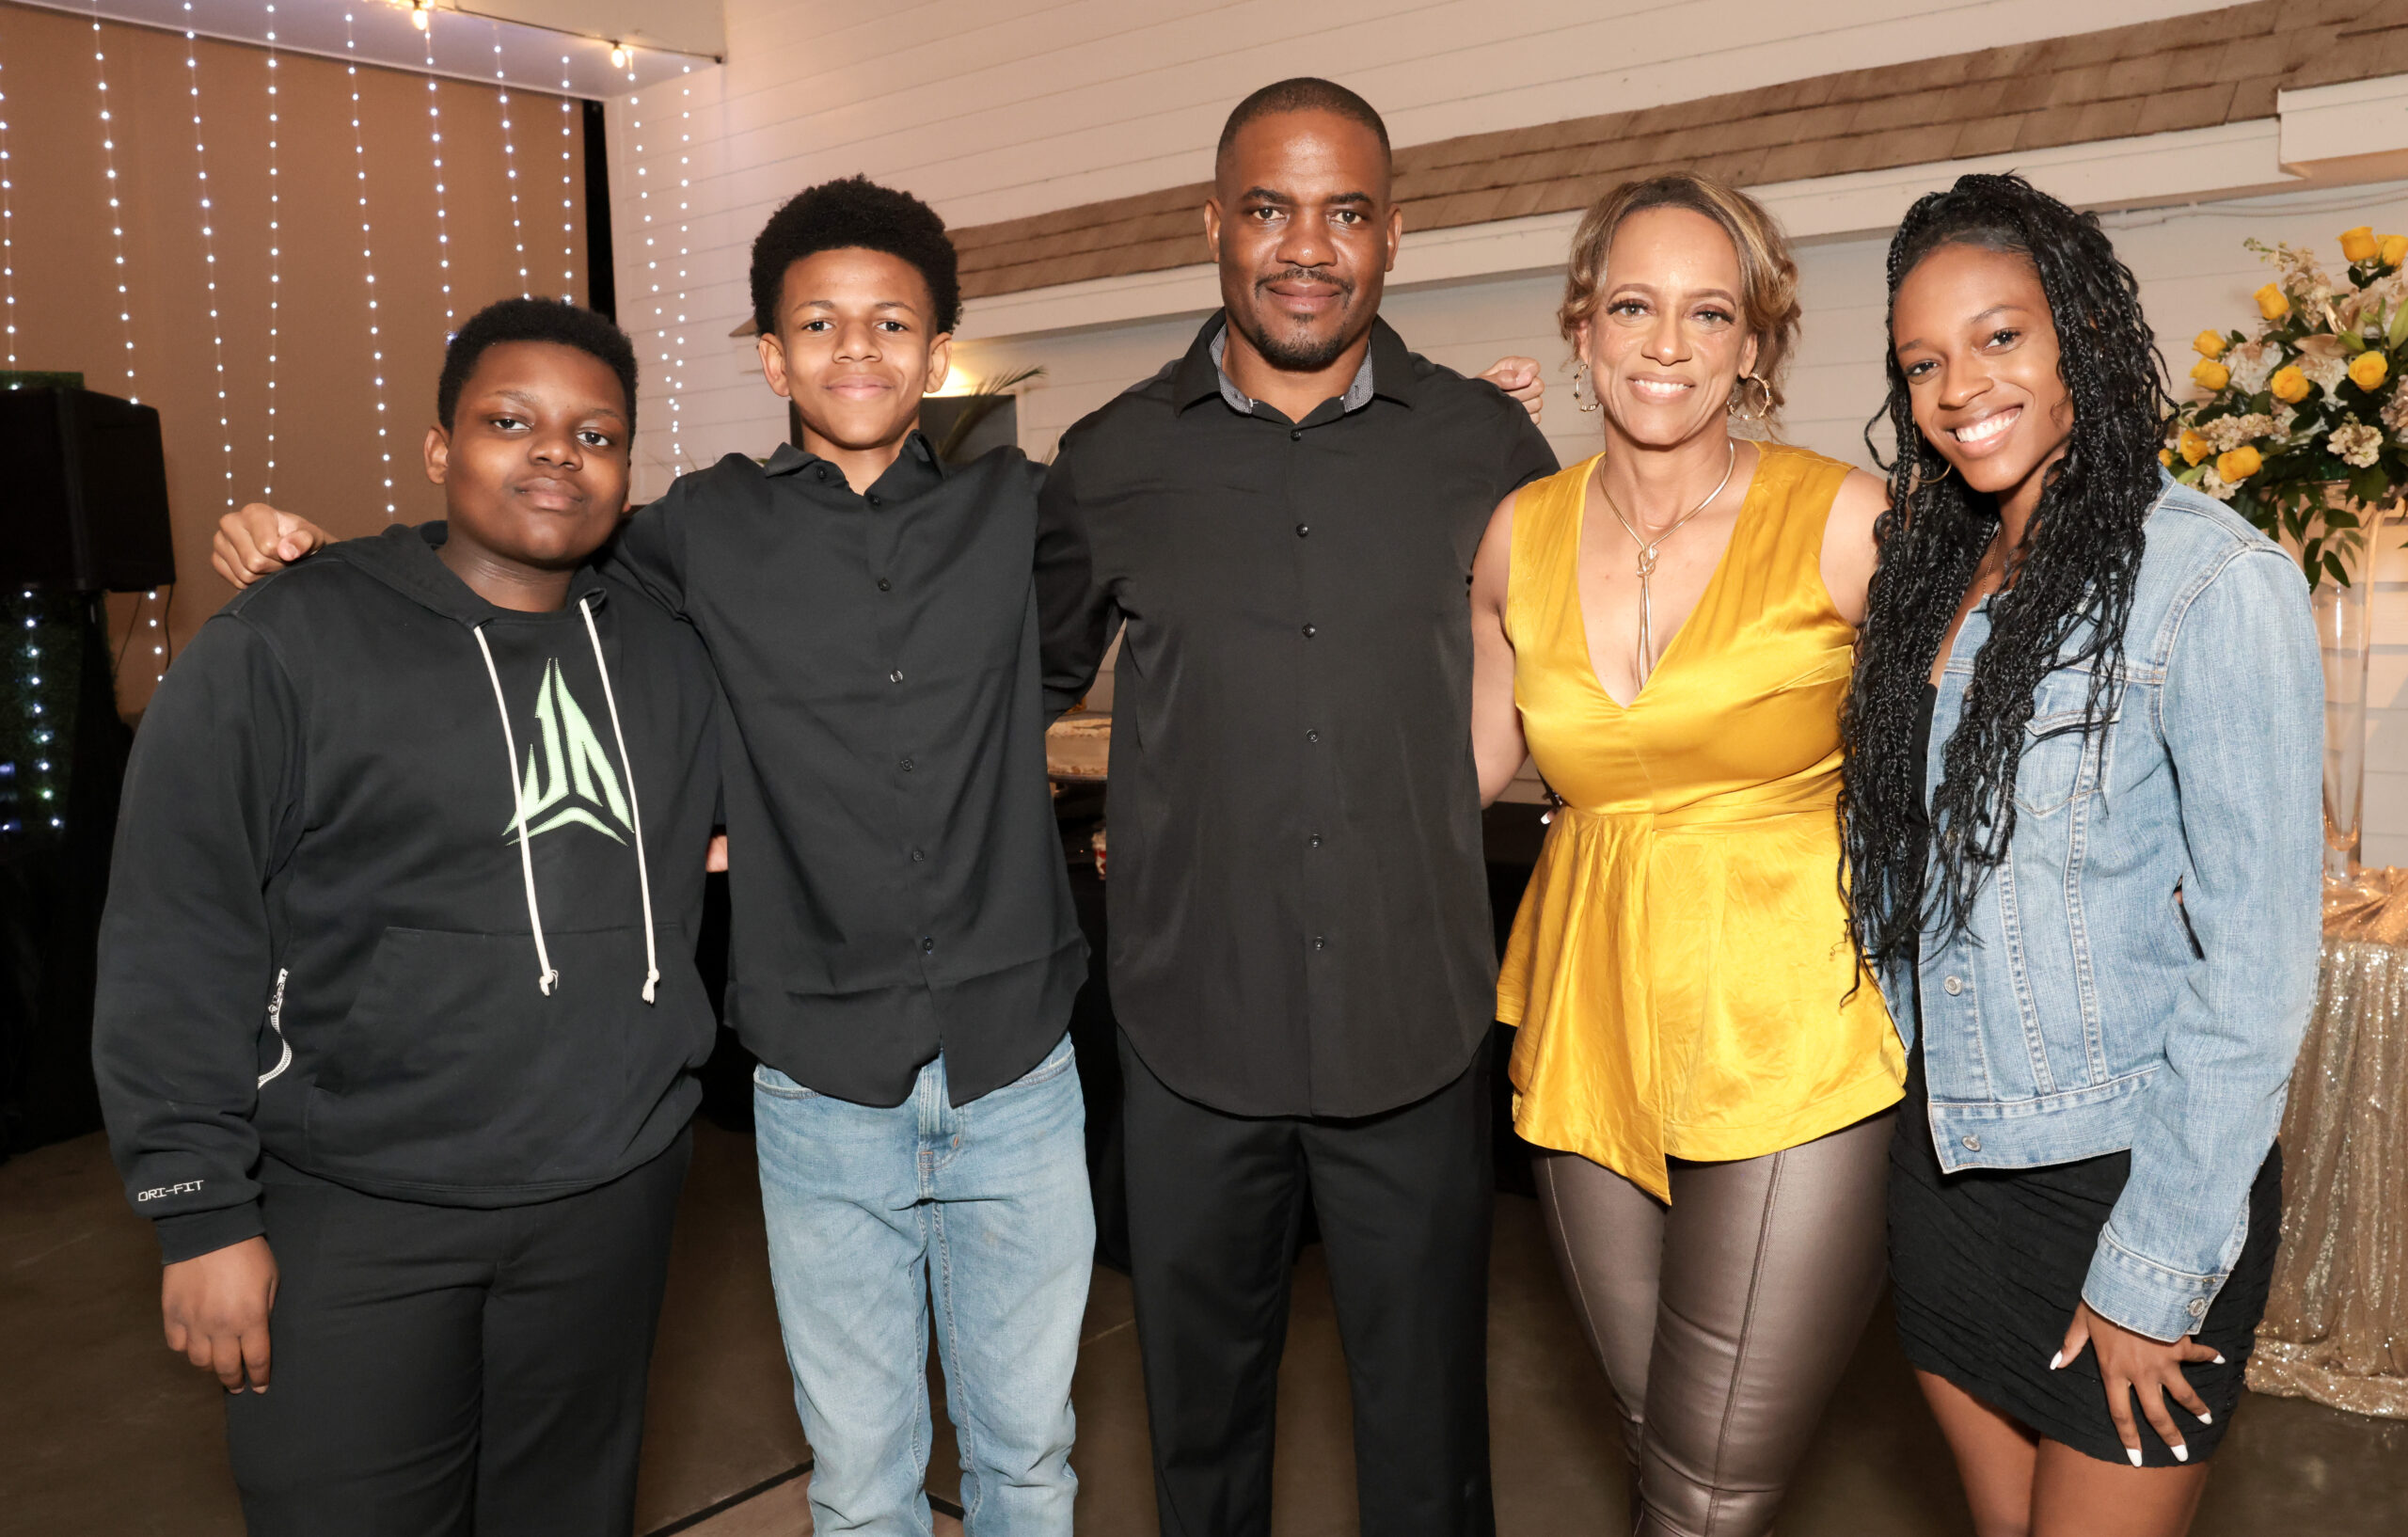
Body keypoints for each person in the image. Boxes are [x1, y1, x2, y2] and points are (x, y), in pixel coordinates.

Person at [214, 171, 1551, 1536]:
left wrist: (1457, 436)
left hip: (1018, 1069)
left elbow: (1233, 529)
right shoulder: (691, 535)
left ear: (937, 348)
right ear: (769, 350)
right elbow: (511, 549)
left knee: (1029, 1461)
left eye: (894, 324)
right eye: (820, 324)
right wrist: (312, 554)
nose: (857, 351)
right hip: (818, 1085)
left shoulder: (1023, 513)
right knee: (862, 1478)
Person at [95, 298, 721, 1534]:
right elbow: (179, 926)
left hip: (613, 1197)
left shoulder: (668, 652)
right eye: (510, 420)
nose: (555, 452)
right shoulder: (293, 637)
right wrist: (198, 1211)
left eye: (596, 433)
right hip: (357, 1211)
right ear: (440, 449)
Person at [1035, 78, 1559, 1537]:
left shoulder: (1486, 453)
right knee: (1199, 1446)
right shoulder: (1112, 460)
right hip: (1195, 1034)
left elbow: (1595, 669)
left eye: (1343, 213)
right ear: (1216, 224)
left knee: (1431, 1449)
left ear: (1395, 235)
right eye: (1269, 209)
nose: (1304, 247)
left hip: (1417, 1027)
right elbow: (995, 690)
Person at [1839, 173, 2321, 1537]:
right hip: (1951, 1175)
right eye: (1922, 360)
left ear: (2082, 342)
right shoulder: (1932, 576)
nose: (1956, 385)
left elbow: (2262, 970)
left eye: (1999, 337)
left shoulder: (2213, 583)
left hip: (2129, 1176)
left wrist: (2154, 1267)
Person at [1465, 173, 1901, 1535]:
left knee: (1709, 1483)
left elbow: (1975, 752)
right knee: (1667, 1441)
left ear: (1756, 344)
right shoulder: (1514, 533)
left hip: (1798, 1026)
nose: (1667, 345)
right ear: (1583, 330)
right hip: (1589, 1010)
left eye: (1708, 312)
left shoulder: (1849, 518)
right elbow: (1461, 769)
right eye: (1633, 307)